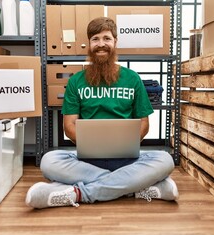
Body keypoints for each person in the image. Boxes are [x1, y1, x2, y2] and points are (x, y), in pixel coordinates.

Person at [25, 17, 178, 209]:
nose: (101, 44)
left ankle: (79, 193)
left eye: (106, 38)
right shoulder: (76, 81)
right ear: (89, 44)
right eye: (95, 39)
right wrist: (92, 144)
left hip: (127, 160)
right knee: (48, 161)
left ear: (115, 42)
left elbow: (144, 123)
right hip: (87, 161)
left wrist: (125, 143)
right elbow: (69, 126)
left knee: (165, 159)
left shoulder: (132, 79)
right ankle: (135, 186)